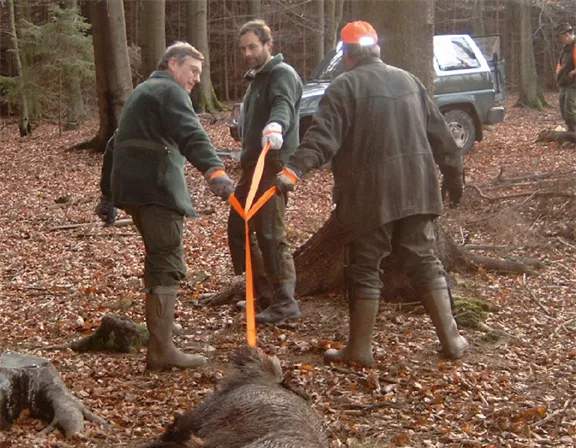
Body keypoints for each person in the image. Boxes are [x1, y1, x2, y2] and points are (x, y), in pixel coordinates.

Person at [275, 21, 468, 367]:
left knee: (365, 266)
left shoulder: (343, 86)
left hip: (370, 197)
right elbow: (443, 136)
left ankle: (360, 350)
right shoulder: (410, 81)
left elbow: (322, 139)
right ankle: (451, 339)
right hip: (418, 191)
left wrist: (293, 171)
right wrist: (455, 178)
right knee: (424, 260)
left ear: (347, 54)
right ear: (376, 49)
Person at [96, 41, 234, 370]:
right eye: (193, 70)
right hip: (156, 189)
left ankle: (162, 332)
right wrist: (215, 171)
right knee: (167, 263)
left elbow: (115, 145)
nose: (197, 79)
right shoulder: (169, 91)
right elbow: (191, 133)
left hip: (132, 189)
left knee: (158, 259)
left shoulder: (143, 92)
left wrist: (107, 194)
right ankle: (161, 350)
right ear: (173, 64)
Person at [228, 19, 303, 324]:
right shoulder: (256, 78)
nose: (248, 52)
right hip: (250, 168)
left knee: (271, 233)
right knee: (239, 229)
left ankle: (285, 301)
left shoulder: (281, 74)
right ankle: (264, 296)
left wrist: (276, 126)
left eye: (253, 46)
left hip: (272, 167)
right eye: (244, 48)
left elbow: (283, 105)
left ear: (268, 45)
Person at [555, 22, 576, 132]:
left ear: (566, 35)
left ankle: (573, 133)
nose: (560, 40)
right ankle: (571, 132)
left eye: (561, 37)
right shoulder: (565, 48)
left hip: (573, 84)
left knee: (570, 110)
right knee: (563, 109)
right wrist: (558, 73)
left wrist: (574, 72)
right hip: (564, 83)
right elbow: (561, 63)